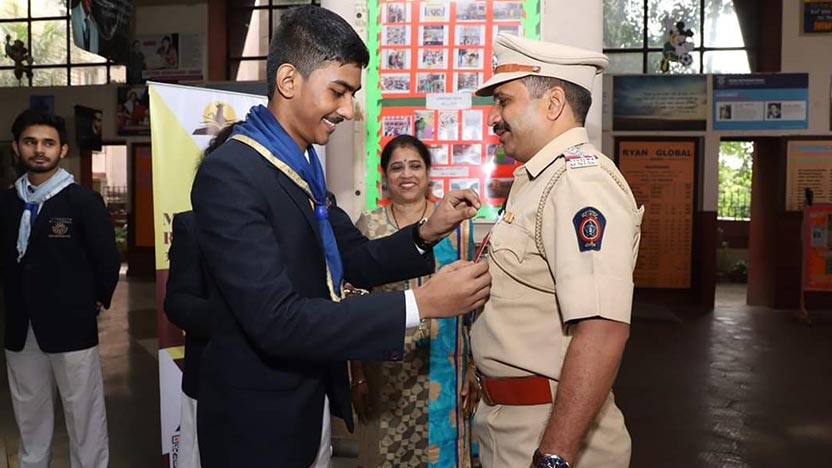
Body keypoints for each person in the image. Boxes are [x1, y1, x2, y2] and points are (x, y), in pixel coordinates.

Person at [189, 6, 491, 468]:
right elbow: (277, 320)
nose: (349, 110)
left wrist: (428, 230)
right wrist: (421, 304)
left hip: (309, 408)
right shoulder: (231, 175)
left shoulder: (302, 168)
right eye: (339, 91)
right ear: (289, 81)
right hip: (257, 427)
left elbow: (354, 258)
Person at [470, 34, 644, 468]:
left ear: (552, 103)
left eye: (504, 101)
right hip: (511, 423)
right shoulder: (538, 181)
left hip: (548, 432)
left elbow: (602, 331)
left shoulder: (580, 185)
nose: (494, 118)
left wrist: (554, 455)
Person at [351, 135, 480, 468]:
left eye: (415, 166)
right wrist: (358, 376)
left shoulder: (457, 230)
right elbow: (352, 307)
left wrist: (474, 369)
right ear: (384, 177)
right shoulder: (369, 226)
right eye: (396, 167)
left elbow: (475, 310)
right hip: (386, 371)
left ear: (428, 174)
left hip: (445, 367)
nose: (406, 175)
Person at [0, 109, 120, 468]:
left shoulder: (82, 202)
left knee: (84, 414)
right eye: (31, 142)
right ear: (17, 149)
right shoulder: (6, 203)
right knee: (29, 415)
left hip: (72, 328)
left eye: (48, 143)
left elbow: (106, 260)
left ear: (62, 150)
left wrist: (93, 301)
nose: (39, 150)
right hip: (22, 330)